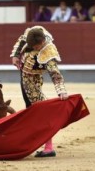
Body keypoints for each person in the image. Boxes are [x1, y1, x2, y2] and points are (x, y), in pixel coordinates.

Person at [10, 26, 68, 158]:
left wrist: (61, 91)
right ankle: (33, 141)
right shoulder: (35, 32)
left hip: (33, 80)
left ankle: (48, 148)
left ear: (42, 43)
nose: (33, 48)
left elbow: (55, 73)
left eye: (35, 47)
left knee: (39, 112)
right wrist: (15, 55)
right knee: (31, 110)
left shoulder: (48, 52)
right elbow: (22, 40)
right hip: (24, 75)